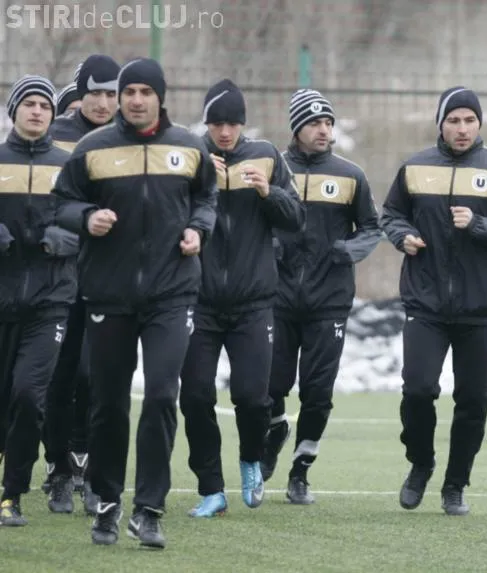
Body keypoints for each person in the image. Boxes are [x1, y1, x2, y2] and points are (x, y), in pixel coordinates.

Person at [52, 57, 218, 548]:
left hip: (173, 293)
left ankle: (149, 509)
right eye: (129, 92)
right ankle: (106, 502)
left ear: (160, 98)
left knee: (163, 396)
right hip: (109, 293)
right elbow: (61, 202)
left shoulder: (188, 146)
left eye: (146, 92)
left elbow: (206, 198)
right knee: (108, 404)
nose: (136, 100)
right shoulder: (93, 148)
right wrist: (86, 218)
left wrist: (198, 229)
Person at [380, 86, 487, 516]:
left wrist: (479, 224)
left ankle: (455, 484)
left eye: (469, 120)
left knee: (473, 401)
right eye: (454, 120)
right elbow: (390, 214)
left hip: (479, 307)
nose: (462, 128)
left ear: (479, 124)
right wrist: (402, 236)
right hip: (425, 304)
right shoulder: (415, 168)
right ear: (441, 124)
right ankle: (421, 463)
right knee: (417, 390)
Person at [178, 79, 305, 517]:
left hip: (253, 303)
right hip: (198, 301)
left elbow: (296, 218)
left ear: (243, 124)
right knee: (195, 396)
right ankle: (211, 488)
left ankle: (252, 458)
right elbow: (168, 214)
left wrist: (269, 192)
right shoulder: (190, 156)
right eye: (217, 123)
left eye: (232, 123)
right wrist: (199, 181)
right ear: (206, 123)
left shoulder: (266, 155)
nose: (225, 131)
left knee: (253, 397)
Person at [261, 89, 381, 504]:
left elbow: (371, 228)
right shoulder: (271, 170)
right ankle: (275, 427)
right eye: (314, 123)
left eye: (328, 122)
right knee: (269, 385)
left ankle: (300, 471)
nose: (324, 130)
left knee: (317, 391)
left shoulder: (351, 175)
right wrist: (269, 249)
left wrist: (348, 250)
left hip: (329, 300)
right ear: (297, 128)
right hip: (275, 297)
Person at [43, 53, 120, 516]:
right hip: (57, 275)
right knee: (61, 375)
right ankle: (58, 468)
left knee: (98, 376)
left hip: (109, 276)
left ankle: (91, 469)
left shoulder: (130, 138)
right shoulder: (56, 135)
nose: (104, 103)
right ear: (79, 93)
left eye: (112, 94)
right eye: (96, 93)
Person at [0, 75, 77, 526]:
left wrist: (63, 239)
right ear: (14, 111)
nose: (36, 111)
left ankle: (11, 495)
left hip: (51, 301)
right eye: (28, 103)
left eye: (44, 105)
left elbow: (92, 226)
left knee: (29, 396)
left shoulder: (69, 167)